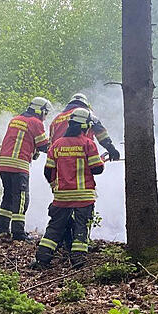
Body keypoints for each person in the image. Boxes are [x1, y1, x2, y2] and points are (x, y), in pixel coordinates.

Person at [31, 108, 104, 270]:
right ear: (84, 126)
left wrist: (54, 187)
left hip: (62, 197)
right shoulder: (88, 144)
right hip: (84, 197)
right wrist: (102, 160)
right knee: (81, 227)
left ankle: (42, 259)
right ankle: (78, 261)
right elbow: (97, 169)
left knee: (55, 228)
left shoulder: (56, 145)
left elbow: (48, 171)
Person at [0, 97, 51, 241]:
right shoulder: (36, 122)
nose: (46, 117)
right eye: (46, 113)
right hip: (18, 164)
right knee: (21, 199)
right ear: (40, 110)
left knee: (8, 196)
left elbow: (23, 140)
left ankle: (2, 229)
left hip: (4, 163)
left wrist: (33, 150)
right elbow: (44, 146)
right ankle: (18, 233)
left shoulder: (16, 119)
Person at [48, 93, 121, 161]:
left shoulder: (56, 119)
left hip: (59, 159)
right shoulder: (87, 115)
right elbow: (101, 133)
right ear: (85, 104)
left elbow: (50, 144)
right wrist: (111, 149)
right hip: (81, 154)